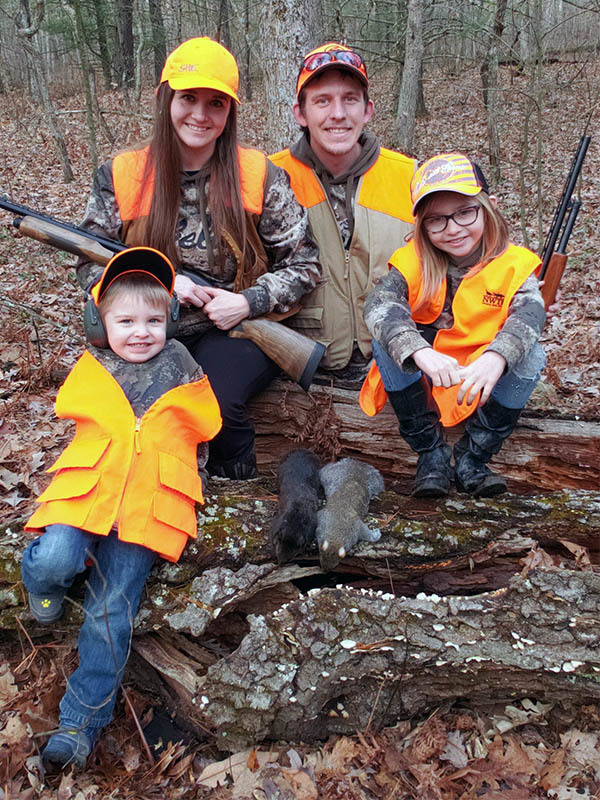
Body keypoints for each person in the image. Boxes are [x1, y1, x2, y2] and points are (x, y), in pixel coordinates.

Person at [77, 37, 321, 479]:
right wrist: (163, 285)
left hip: (234, 327)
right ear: (164, 99)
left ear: (230, 113)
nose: (200, 115)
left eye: (216, 103)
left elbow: (304, 265)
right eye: (188, 98)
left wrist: (248, 302)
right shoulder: (122, 175)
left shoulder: (258, 174)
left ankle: (235, 482)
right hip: (147, 324)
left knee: (214, 401)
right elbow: (90, 264)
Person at [22, 247, 222, 768]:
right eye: (125, 320)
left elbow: (204, 423)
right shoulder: (93, 364)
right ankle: (38, 582)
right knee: (56, 558)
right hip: (88, 491)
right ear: (99, 322)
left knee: (111, 614)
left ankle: (77, 727)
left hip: (146, 507)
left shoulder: (182, 364)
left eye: (154, 320)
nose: (141, 332)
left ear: (171, 321)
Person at [360, 153, 546, 498]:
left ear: (489, 206)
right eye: (437, 220)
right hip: (430, 371)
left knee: (533, 355)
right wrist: (417, 350)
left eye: (465, 212)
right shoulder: (412, 261)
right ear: (422, 226)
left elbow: (530, 315)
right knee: (387, 343)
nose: (454, 228)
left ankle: (473, 457)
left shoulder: (514, 264)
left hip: (483, 371)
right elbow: (379, 305)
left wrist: (497, 357)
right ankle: (430, 453)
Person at [270, 42, 416, 375]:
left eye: (350, 99)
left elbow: (455, 260)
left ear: (367, 110)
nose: (338, 113)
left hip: (395, 364)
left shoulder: (410, 177)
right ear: (300, 114)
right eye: (323, 101)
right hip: (298, 371)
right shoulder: (268, 179)